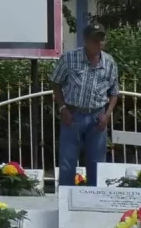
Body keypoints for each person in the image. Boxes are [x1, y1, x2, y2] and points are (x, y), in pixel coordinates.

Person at [51, 23, 119, 187]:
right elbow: (55, 83)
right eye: (95, 39)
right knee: (68, 162)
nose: (99, 43)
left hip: (97, 117)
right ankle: (66, 203)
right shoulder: (69, 58)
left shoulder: (110, 63)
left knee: (96, 164)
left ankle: (92, 203)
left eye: (101, 40)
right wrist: (62, 108)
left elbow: (114, 92)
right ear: (85, 40)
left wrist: (107, 114)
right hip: (73, 115)